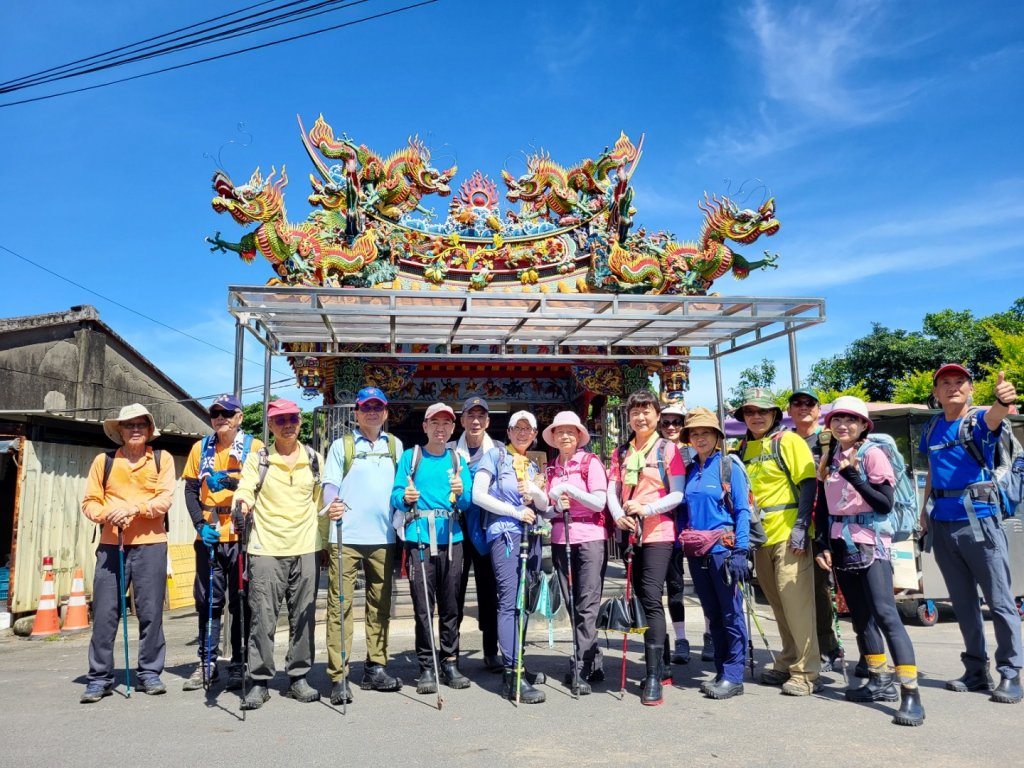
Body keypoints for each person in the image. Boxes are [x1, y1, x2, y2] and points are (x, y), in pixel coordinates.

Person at [814, 396, 924, 726]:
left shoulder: (871, 454)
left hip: (871, 544)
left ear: (863, 425)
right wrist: (823, 544)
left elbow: (884, 504)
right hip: (841, 544)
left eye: (850, 420)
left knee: (886, 614)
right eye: (836, 420)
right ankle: (878, 679)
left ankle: (911, 692)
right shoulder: (829, 457)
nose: (842, 425)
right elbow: (825, 507)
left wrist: (854, 476)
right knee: (860, 616)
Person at [920, 364, 1022, 704]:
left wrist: (1001, 400)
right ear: (935, 392)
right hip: (943, 523)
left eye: (959, 382)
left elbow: (994, 419)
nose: (952, 388)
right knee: (963, 603)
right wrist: (923, 512)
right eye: (945, 383)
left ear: (971, 388)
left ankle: (1010, 672)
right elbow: (933, 471)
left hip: (980, 521)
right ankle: (976, 671)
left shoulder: (977, 420)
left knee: (1000, 601)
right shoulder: (932, 426)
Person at [80, 404, 176, 703]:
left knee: (150, 612)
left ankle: (149, 672)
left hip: (152, 544)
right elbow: (90, 502)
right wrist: (111, 514)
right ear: (119, 431)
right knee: (106, 613)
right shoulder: (103, 461)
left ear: (149, 430)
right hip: (112, 546)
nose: (135, 429)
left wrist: (133, 509)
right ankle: (99, 677)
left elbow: (164, 500)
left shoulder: (162, 459)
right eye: (128, 425)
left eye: (141, 425)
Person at [233, 399, 324, 710]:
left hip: (306, 545)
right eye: (281, 419)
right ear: (270, 425)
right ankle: (259, 680)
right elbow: (245, 488)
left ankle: (298, 676)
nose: (288, 424)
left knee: (305, 617)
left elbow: (323, 500)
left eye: (293, 418)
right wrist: (242, 503)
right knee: (262, 616)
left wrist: (326, 535)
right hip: (266, 548)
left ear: (301, 422)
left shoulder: (314, 458)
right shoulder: (259, 459)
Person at [320, 386, 404, 707]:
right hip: (346, 536)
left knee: (380, 606)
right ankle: (339, 675)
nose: (372, 412)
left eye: (377, 407)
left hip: (384, 537)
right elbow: (329, 486)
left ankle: (376, 667)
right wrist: (334, 505)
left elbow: (402, 487)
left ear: (385, 412)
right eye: (366, 407)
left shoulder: (395, 446)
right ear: (356, 412)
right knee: (339, 606)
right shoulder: (343, 446)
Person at [736, 387, 821, 696]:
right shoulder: (743, 448)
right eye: (750, 412)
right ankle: (787, 659)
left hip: (789, 536)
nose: (756, 416)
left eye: (762, 411)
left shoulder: (789, 441)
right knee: (778, 605)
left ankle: (807, 671)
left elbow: (808, 484)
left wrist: (801, 526)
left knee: (796, 604)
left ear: (774, 414)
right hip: (760, 538)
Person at [607, 389, 686, 706]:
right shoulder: (621, 452)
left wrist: (646, 509)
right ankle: (662, 661)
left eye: (646, 411)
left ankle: (653, 676)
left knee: (652, 597)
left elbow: (677, 494)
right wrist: (618, 515)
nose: (641, 417)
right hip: (631, 532)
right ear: (628, 417)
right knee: (641, 598)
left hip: (659, 532)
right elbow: (613, 491)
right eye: (635, 412)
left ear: (657, 415)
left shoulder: (669, 450)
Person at [181, 394, 262, 692]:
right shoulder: (200, 448)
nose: (221, 417)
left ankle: (240, 663)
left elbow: (262, 486)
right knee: (209, 602)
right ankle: (207, 662)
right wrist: (200, 526)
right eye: (216, 413)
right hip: (210, 533)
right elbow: (190, 490)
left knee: (242, 601)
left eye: (227, 412)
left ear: (239, 416)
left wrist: (229, 483)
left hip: (242, 534)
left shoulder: (254, 447)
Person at [391, 403, 473, 695]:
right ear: (424, 426)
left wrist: (461, 493)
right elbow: (397, 494)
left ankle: (450, 661)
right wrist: (406, 496)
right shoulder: (411, 458)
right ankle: (426, 665)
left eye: (446, 424)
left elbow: (465, 502)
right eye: (434, 423)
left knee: (451, 604)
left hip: (452, 537)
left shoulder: (457, 460)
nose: (441, 428)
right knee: (423, 606)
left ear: (453, 428)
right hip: (419, 537)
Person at [472, 410, 550, 704]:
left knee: (524, 602)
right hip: (505, 535)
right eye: (517, 427)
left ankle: (518, 660)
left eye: (528, 429)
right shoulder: (494, 457)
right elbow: (478, 494)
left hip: (531, 537)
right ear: (508, 431)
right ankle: (511, 671)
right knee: (509, 602)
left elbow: (544, 503)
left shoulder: (531, 466)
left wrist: (533, 492)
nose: (522, 433)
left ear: (533, 434)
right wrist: (515, 511)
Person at [680, 407, 751, 700]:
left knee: (731, 613)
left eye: (705, 432)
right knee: (712, 613)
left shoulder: (728, 466)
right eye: (694, 433)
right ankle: (722, 669)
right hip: (698, 552)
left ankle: (735, 675)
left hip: (724, 549)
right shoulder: (690, 469)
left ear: (717, 436)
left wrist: (741, 550)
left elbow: (743, 510)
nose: (700, 438)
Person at [543, 410, 609, 695]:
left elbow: (598, 502)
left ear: (579, 435)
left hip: (590, 537)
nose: (565, 436)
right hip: (561, 538)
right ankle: (593, 659)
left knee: (587, 602)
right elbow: (546, 507)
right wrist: (557, 504)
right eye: (560, 431)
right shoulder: (550, 469)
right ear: (554, 437)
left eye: (571, 431)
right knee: (572, 603)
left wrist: (569, 489)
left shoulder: (590, 463)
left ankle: (579, 665)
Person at [787, 388, 843, 673]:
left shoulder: (828, 439)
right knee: (799, 589)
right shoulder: (784, 440)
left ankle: (830, 646)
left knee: (821, 589)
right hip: (794, 522)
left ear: (819, 410)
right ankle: (806, 647)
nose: (803, 407)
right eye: (797, 403)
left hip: (826, 521)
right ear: (789, 411)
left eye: (809, 403)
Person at [450, 395, 502, 674]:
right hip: (456, 531)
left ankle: (491, 651)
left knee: (489, 591)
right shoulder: (447, 451)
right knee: (453, 592)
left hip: (488, 530)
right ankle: (451, 653)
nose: (476, 421)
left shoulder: (501, 451)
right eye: (470, 415)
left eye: (481, 416)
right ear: (462, 420)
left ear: (488, 421)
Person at [658, 403, 709, 665]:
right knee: (675, 588)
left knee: (705, 586)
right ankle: (681, 638)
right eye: (665, 422)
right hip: (671, 529)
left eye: (676, 422)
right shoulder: (657, 453)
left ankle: (709, 634)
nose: (671, 427)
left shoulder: (695, 453)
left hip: (699, 527)